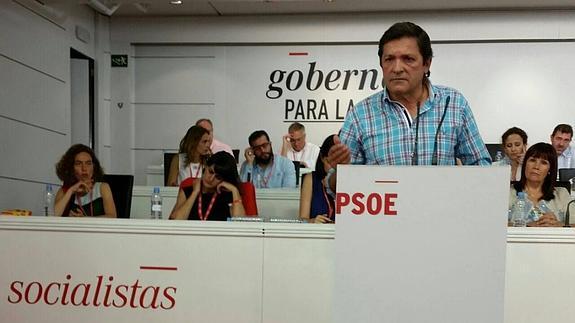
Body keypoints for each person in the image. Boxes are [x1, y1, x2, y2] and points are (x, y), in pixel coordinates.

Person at [327, 21, 491, 192]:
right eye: (389, 59)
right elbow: (333, 187)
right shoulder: (360, 115)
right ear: (381, 64)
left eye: (408, 59)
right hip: (384, 217)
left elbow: (482, 167)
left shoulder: (454, 104)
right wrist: (341, 172)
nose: (397, 68)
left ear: (426, 63)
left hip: (443, 215)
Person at [509, 142, 573, 227]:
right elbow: (493, 224)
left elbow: (573, 224)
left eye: (543, 163)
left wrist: (559, 225)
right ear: (525, 164)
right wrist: (528, 226)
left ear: (550, 169)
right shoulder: (508, 192)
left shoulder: (561, 193)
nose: (536, 166)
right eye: (532, 160)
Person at [170, 152, 245, 220]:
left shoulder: (228, 194)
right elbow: (175, 222)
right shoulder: (188, 191)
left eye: (218, 177)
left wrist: (235, 190)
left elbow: (240, 224)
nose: (211, 179)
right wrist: (195, 192)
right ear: (205, 167)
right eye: (210, 172)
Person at [54, 144, 116, 217]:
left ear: (94, 167)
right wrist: (71, 190)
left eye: (88, 163)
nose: (84, 168)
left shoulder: (103, 187)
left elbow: (112, 216)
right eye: (78, 163)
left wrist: (85, 219)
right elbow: (53, 216)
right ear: (71, 168)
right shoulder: (64, 190)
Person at [299, 135, 336, 224]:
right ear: (322, 158)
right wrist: (312, 221)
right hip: (318, 233)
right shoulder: (311, 179)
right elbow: (302, 220)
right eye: (330, 162)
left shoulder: (350, 181)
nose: (334, 168)